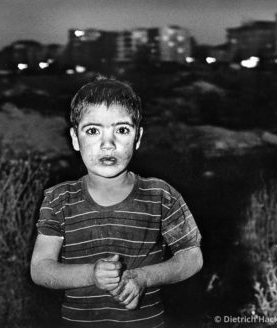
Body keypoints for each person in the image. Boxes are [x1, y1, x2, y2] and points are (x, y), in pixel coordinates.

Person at [30, 77, 203, 328]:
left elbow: (192, 258)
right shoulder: (58, 200)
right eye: (93, 131)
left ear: (138, 137)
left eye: (121, 130)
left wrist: (143, 277)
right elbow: (40, 269)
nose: (108, 144)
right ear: (75, 138)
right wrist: (91, 274)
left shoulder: (161, 196)